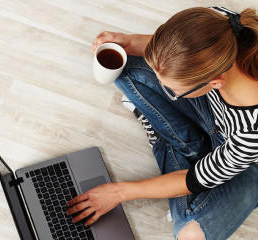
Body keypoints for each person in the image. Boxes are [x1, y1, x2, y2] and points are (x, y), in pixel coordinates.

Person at [66, 6, 258, 240]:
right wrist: (129, 42)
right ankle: (173, 141)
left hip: (247, 166)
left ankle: (165, 141)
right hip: (215, 115)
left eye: (173, 91)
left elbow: (194, 179)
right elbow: (177, 54)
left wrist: (119, 192)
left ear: (215, 81)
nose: (167, 90)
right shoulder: (224, 24)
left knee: (190, 234)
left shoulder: (251, 135)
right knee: (121, 60)